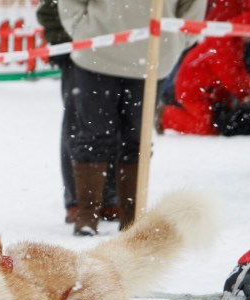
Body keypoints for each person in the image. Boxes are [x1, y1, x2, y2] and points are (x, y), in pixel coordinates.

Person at [59, 0, 205, 235]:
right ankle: (88, 216)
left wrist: (176, 39)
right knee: (93, 138)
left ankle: (132, 219)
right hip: (96, 53)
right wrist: (81, 29)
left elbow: (193, 7)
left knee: (136, 140)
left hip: (152, 56)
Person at [36, 0, 117, 226]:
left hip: (119, 51)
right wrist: (72, 38)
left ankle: (111, 197)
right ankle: (78, 201)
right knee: (79, 128)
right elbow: (49, 11)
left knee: (117, 126)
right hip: (78, 52)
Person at [160, 10, 250, 134]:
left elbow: (238, 72)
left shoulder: (234, 41)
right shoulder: (223, 43)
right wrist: (245, 92)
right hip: (194, 90)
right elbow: (230, 75)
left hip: (214, 91)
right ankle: (165, 116)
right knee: (206, 128)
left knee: (220, 124)